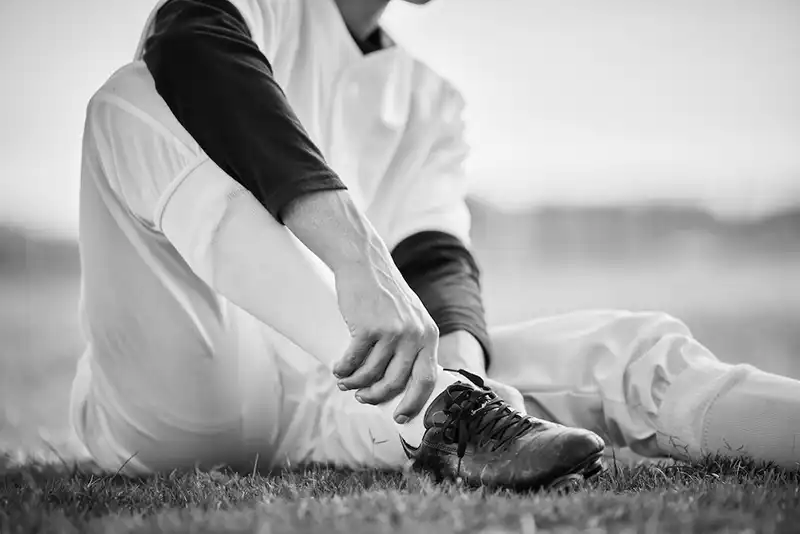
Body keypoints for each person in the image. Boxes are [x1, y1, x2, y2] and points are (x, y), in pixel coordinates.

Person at [70, 0, 800, 493]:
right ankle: (445, 406)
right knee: (125, 107)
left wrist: (464, 363)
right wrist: (358, 257)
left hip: (357, 396)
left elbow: (437, 260)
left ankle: (455, 407)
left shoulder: (431, 97)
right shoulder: (247, 10)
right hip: (190, 393)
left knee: (631, 352)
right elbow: (187, 45)